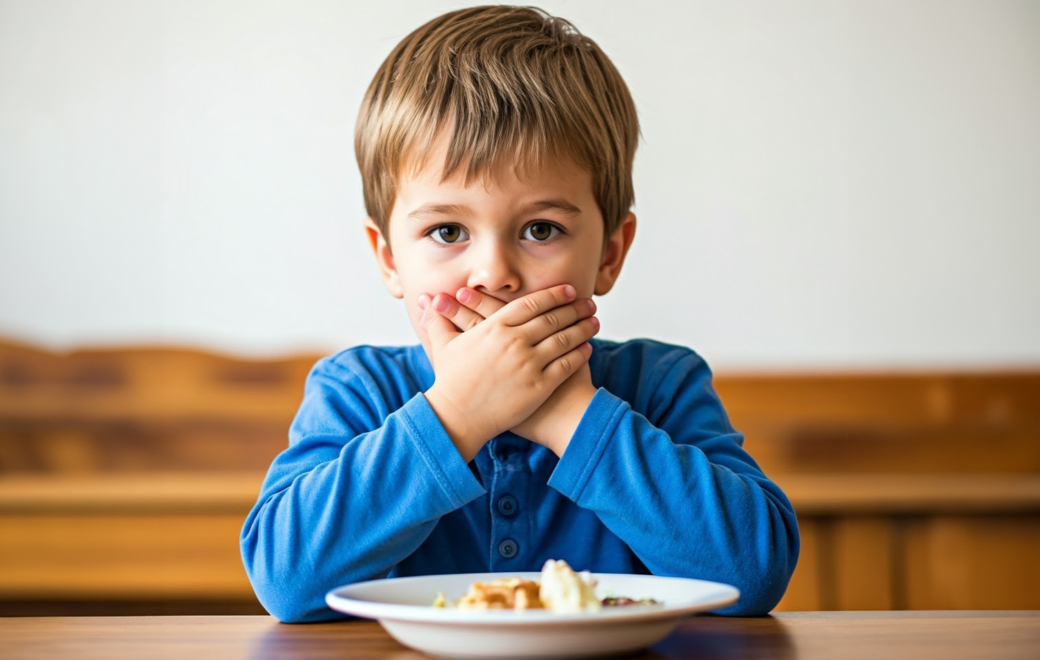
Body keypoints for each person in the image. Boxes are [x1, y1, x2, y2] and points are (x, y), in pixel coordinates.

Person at [241, 4, 798, 623]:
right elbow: (287, 583)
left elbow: (753, 573)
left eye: (540, 228)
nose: (493, 273)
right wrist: (456, 415)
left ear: (610, 254)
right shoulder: (358, 390)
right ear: (389, 258)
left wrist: (568, 416)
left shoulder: (660, 383)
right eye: (448, 230)